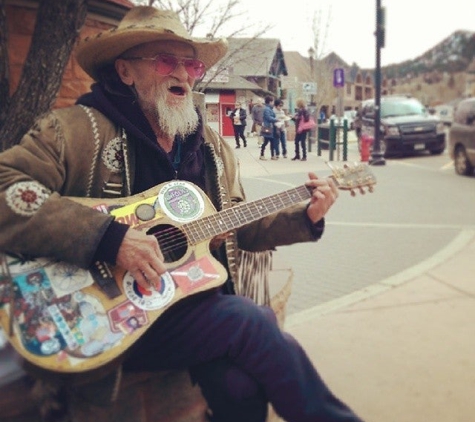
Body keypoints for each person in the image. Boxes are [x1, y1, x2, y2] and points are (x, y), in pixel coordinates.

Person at [0, 6, 364, 422]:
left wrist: (306, 216)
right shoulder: (76, 131)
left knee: (239, 387)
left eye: (190, 64)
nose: (184, 75)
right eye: (166, 61)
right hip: (106, 321)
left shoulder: (209, 147)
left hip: (191, 312)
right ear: (125, 71)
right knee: (251, 320)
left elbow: (239, 225)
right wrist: (109, 238)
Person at [259, 95, 279, 160]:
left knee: (272, 142)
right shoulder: (267, 109)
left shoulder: (269, 109)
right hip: (268, 128)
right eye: (272, 101)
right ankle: (262, 155)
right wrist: (276, 119)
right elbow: (268, 118)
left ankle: (272, 155)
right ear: (270, 102)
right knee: (266, 142)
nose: (273, 103)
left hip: (271, 127)